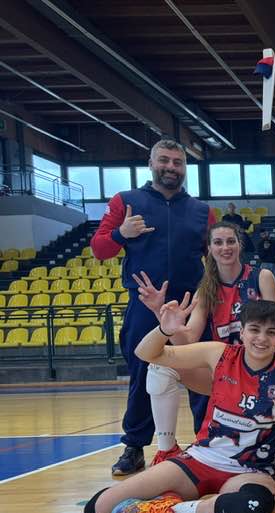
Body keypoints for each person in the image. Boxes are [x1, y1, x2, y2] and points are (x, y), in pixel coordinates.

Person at [83, 300, 275, 513]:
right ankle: (179, 504)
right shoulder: (219, 353)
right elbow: (145, 353)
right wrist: (164, 331)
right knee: (98, 510)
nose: (262, 338)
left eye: (271, 332)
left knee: (249, 507)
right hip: (199, 460)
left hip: (251, 471)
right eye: (254, 330)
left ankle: (173, 509)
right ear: (242, 332)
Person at [91, 138, 215, 476]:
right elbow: (99, 249)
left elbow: (216, 258)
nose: (170, 167)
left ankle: (207, 441)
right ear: (151, 163)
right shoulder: (126, 201)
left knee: (201, 372)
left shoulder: (202, 211)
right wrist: (121, 233)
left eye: (177, 162)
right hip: (145, 306)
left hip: (191, 306)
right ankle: (134, 446)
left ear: (184, 168)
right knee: (142, 373)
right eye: (164, 160)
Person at [134, 222, 275, 465]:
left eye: (230, 241)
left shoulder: (262, 277)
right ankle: (167, 449)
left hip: (262, 370)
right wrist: (161, 315)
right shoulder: (206, 290)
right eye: (218, 242)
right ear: (209, 249)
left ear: (240, 245)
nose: (225, 247)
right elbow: (187, 342)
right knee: (161, 367)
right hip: (226, 371)